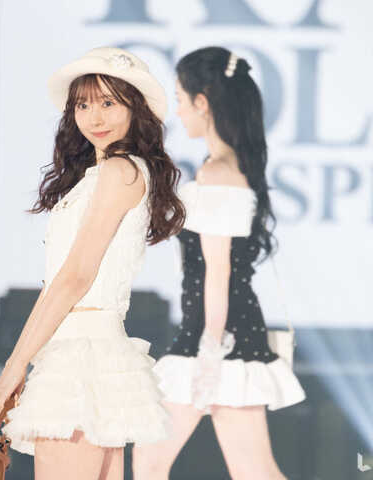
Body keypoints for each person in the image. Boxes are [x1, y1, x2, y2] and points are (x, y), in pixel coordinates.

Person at [0, 47, 186, 480]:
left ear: (135, 108)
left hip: (82, 357)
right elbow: (61, 282)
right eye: (83, 105)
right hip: (84, 352)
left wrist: (13, 368)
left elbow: (75, 277)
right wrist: (25, 361)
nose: (95, 117)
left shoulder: (119, 172)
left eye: (108, 103)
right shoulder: (106, 174)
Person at [133, 47, 305, 480]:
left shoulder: (219, 173)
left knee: (247, 470)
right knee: (159, 459)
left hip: (219, 335)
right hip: (215, 331)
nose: (177, 110)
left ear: (202, 102)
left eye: (180, 99)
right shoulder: (221, 167)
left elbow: (219, 272)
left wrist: (211, 350)